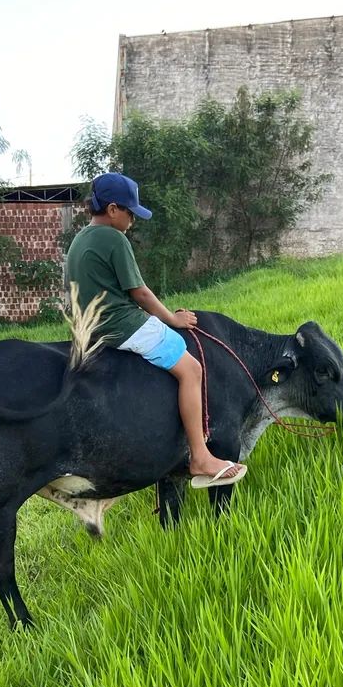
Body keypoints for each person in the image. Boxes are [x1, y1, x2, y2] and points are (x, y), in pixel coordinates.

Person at [65, 172, 247, 490]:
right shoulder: (113, 239)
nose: (132, 219)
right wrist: (170, 319)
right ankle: (201, 456)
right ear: (111, 210)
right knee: (191, 369)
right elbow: (140, 293)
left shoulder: (80, 239)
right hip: (120, 325)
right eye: (130, 212)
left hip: (89, 329)